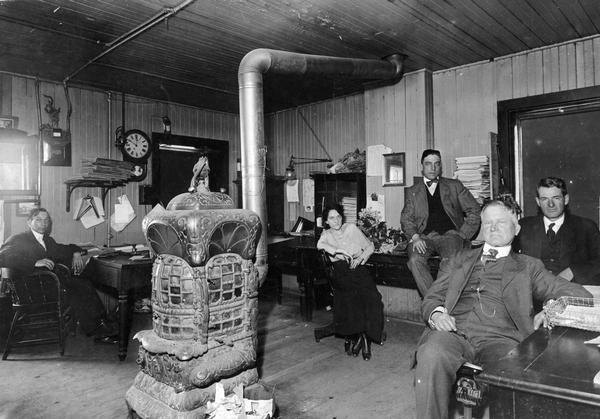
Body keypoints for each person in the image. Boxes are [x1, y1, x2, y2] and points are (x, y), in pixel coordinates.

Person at [413, 196, 592, 419]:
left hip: (500, 340)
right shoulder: (459, 258)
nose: (493, 227)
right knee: (431, 351)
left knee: (509, 377)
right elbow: (432, 297)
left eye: (501, 222)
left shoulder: (528, 266)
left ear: (516, 228)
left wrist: (551, 309)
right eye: (488, 223)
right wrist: (437, 314)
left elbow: (577, 293)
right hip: (453, 333)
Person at [0, 208, 117, 343]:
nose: (43, 223)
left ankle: (100, 326)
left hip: (46, 286)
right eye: (38, 220)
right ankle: (99, 329)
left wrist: (76, 252)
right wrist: (34, 262)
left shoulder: (47, 241)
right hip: (30, 292)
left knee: (82, 283)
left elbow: (64, 248)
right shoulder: (18, 239)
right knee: (80, 287)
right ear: (29, 222)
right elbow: (2, 257)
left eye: (46, 220)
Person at [401, 149, 481, 296]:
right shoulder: (413, 191)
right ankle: (436, 305)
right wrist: (415, 237)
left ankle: (437, 304)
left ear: (440, 167)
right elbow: (406, 219)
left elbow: (474, 210)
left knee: (451, 262)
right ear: (422, 167)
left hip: (450, 236)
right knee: (415, 261)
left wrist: (462, 235)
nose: (433, 168)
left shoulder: (454, 186)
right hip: (423, 237)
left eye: (436, 164)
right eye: (428, 164)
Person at [316, 204, 384, 361]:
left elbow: (370, 246)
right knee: (354, 298)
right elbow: (320, 245)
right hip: (341, 271)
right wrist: (339, 252)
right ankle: (364, 338)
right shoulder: (326, 234)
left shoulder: (351, 229)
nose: (336, 220)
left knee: (373, 298)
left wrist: (360, 259)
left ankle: (364, 337)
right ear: (326, 221)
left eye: (338, 216)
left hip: (357, 268)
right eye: (332, 218)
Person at [514, 176, 600, 285]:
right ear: (538, 202)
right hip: (532, 295)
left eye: (556, 198)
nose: (550, 204)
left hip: (572, 293)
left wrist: (573, 271)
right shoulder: (524, 226)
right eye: (544, 199)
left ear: (566, 199)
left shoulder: (585, 227)